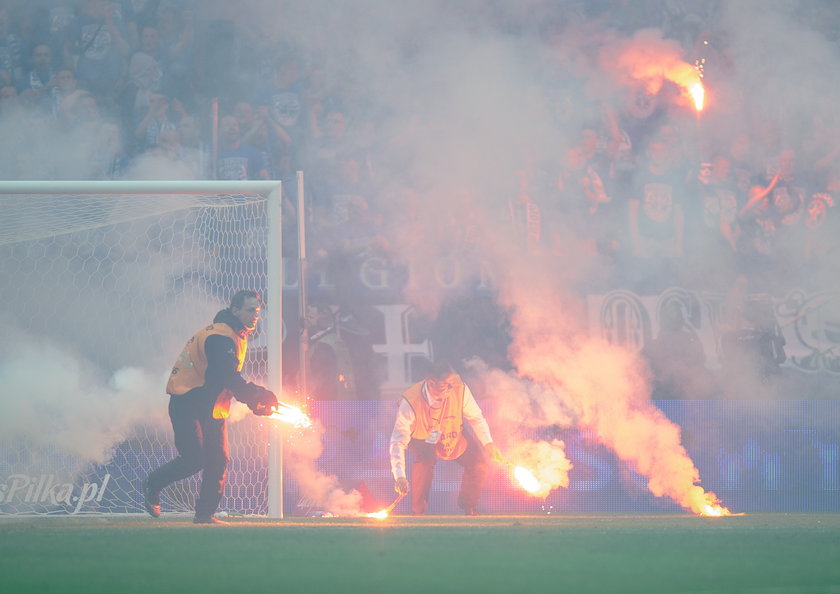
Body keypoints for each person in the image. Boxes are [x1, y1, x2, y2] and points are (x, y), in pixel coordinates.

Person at [143, 290, 279, 524]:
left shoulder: (235, 334)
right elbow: (226, 376)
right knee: (194, 458)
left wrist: (254, 400)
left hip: (211, 405)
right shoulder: (221, 337)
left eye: (257, 311)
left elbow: (223, 380)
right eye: (249, 310)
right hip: (186, 401)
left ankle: (205, 515)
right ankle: (153, 483)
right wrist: (256, 395)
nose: (255, 316)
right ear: (235, 310)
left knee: (219, 459)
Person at [389, 360, 502, 516]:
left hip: (450, 431)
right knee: (425, 462)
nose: (450, 389)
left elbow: (476, 418)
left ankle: (469, 507)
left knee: (478, 462)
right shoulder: (410, 403)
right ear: (431, 383)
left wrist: (488, 444)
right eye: (445, 386)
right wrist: (399, 476)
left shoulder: (459, 388)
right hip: (425, 435)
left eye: (451, 384)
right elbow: (397, 442)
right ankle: (418, 513)